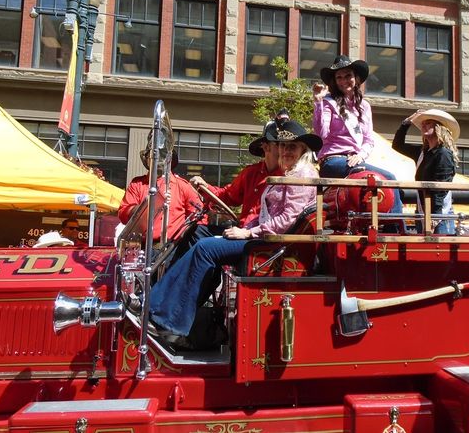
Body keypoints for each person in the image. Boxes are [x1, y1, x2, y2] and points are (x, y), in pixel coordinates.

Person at [148, 120, 322, 347]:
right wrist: (243, 228)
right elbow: (233, 197)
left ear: (303, 151)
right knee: (202, 240)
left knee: (205, 248)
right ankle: (160, 307)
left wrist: (247, 233)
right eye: (282, 146)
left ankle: (165, 316)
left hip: (272, 244)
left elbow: (287, 220)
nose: (285, 150)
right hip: (264, 237)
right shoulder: (282, 172)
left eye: (292, 147)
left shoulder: (301, 174)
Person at [312, 55, 402, 214]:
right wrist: (318, 103)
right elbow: (322, 134)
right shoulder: (327, 102)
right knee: (388, 177)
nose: (343, 80)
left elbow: (368, 140)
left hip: (355, 160)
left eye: (348, 76)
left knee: (390, 177)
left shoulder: (364, 106)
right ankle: (394, 225)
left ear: (356, 78)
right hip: (332, 161)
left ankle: (390, 225)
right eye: (339, 77)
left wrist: (360, 155)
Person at [189, 110, 289, 227]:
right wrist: (204, 187)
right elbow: (228, 195)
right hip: (244, 231)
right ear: (266, 147)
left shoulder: (290, 177)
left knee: (203, 245)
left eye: (288, 145)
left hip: (262, 236)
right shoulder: (250, 173)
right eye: (280, 144)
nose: (286, 149)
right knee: (195, 231)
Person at [118, 131, 201, 242]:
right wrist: (144, 208)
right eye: (152, 155)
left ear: (169, 159)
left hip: (174, 249)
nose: (157, 159)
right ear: (147, 159)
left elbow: (199, 217)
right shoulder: (137, 184)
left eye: (162, 155)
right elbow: (124, 214)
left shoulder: (182, 186)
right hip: (141, 246)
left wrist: (183, 237)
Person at [392, 109, 460, 234]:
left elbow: (441, 188)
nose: (423, 125)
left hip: (439, 216)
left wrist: (434, 217)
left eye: (428, 123)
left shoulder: (443, 153)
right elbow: (397, 145)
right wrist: (406, 123)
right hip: (423, 213)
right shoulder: (422, 152)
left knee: (439, 251)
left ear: (439, 128)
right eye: (423, 123)